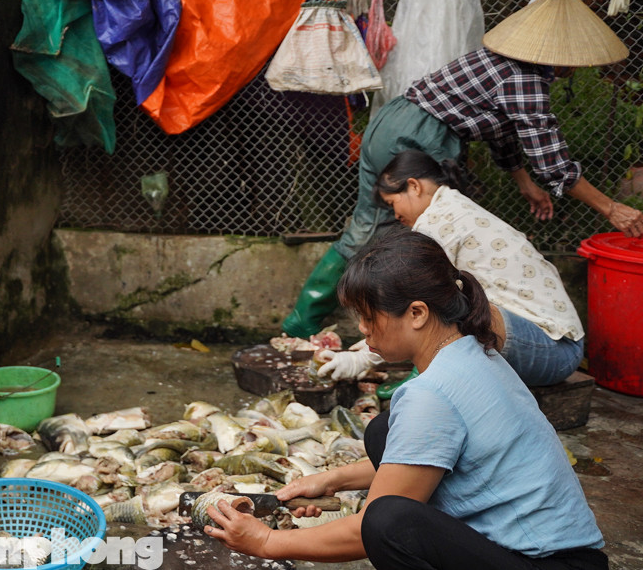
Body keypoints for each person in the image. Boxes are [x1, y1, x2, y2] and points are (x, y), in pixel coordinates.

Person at [206, 230, 607, 570]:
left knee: (387, 521)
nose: (363, 332)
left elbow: (366, 531)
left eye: (368, 317)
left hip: (550, 563)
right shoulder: (474, 350)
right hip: (571, 555)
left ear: (416, 313)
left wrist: (265, 543)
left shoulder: (430, 393)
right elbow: (419, 453)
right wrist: (329, 480)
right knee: (383, 431)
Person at [280, 0, 643, 339]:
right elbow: (554, 166)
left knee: (392, 229)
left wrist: (522, 181)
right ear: (561, 54)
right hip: (417, 137)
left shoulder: (498, 62)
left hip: (396, 121)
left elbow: (499, 130)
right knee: (426, 237)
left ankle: (385, 331)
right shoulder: (525, 80)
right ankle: (320, 324)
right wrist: (611, 208)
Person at [320, 150, 584, 388]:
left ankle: (427, 380)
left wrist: (362, 360)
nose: (395, 215)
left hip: (555, 351)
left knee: (442, 305)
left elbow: (409, 305)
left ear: (413, 186)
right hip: (552, 345)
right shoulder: (449, 208)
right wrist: (358, 355)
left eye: (392, 203)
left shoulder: (437, 221)